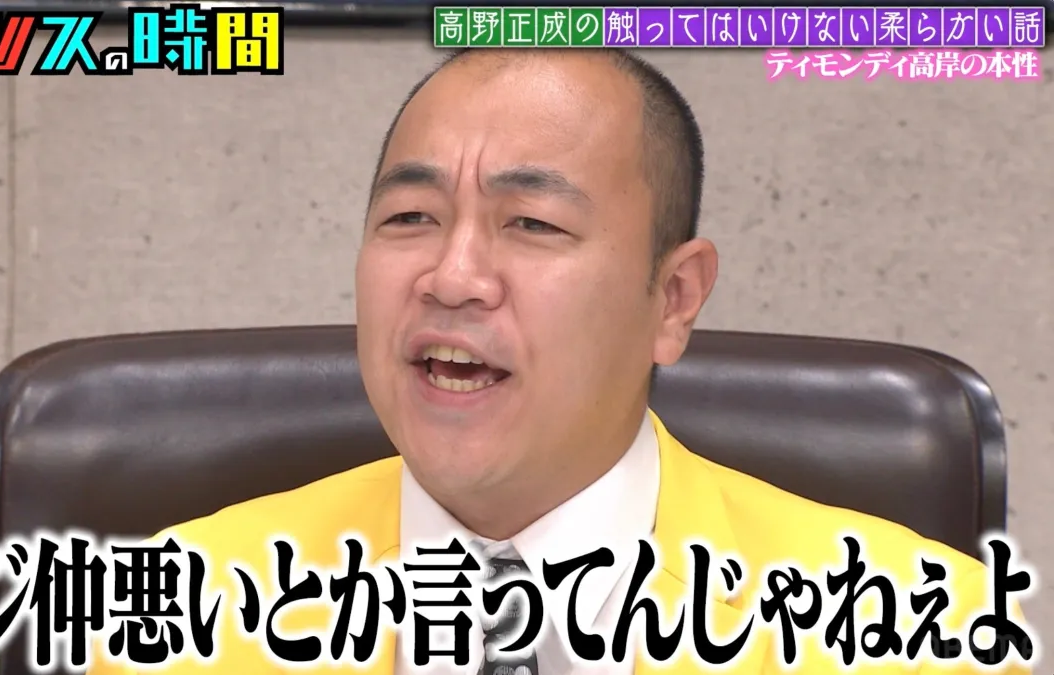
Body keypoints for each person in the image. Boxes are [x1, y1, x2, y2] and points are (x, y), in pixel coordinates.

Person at [88, 49, 1032, 675]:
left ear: (674, 298)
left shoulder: (919, 631)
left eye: (533, 223)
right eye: (410, 217)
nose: (452, 276)